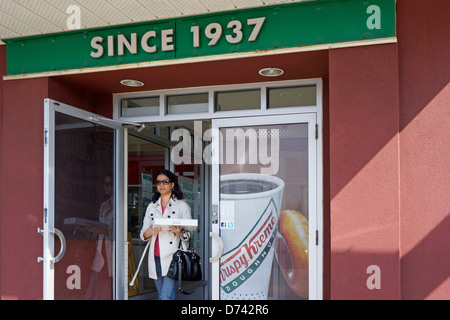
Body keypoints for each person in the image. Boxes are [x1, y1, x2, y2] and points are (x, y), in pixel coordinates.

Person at [140, 169, 192, 300]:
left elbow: (189, 234)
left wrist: (180, 231)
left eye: (165, 181)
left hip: (173, 257)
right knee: (166, 296)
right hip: (155, 256)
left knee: (165, 297)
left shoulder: (182, 206)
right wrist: (149, 232)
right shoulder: (152, 206)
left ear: (172, 184)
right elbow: (143, 233)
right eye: (158, 182)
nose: (161, 185)